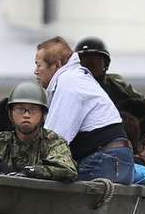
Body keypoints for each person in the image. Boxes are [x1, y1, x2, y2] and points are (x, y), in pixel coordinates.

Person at [34, 36, 134, 184]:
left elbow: (55, 139)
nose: (35, 71)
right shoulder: (78, 78)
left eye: (38, 65)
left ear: (57, 64)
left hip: (102, 162)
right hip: (118, 161)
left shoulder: (69, 82)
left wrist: (28, 167)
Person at [0, 82, 78, 182]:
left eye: (33, 109)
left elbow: (67, 170)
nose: (26, 115)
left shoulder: (52, 142)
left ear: (42, 114)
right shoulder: (2, 142)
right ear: (10, 114)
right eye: (20, 109)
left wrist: (31, 171)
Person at [75, 37, 145, 106]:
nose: (90, 62)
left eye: (95, 58)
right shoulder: (69, 86)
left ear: (105, 63)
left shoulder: (118, 85)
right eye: (84, 59)